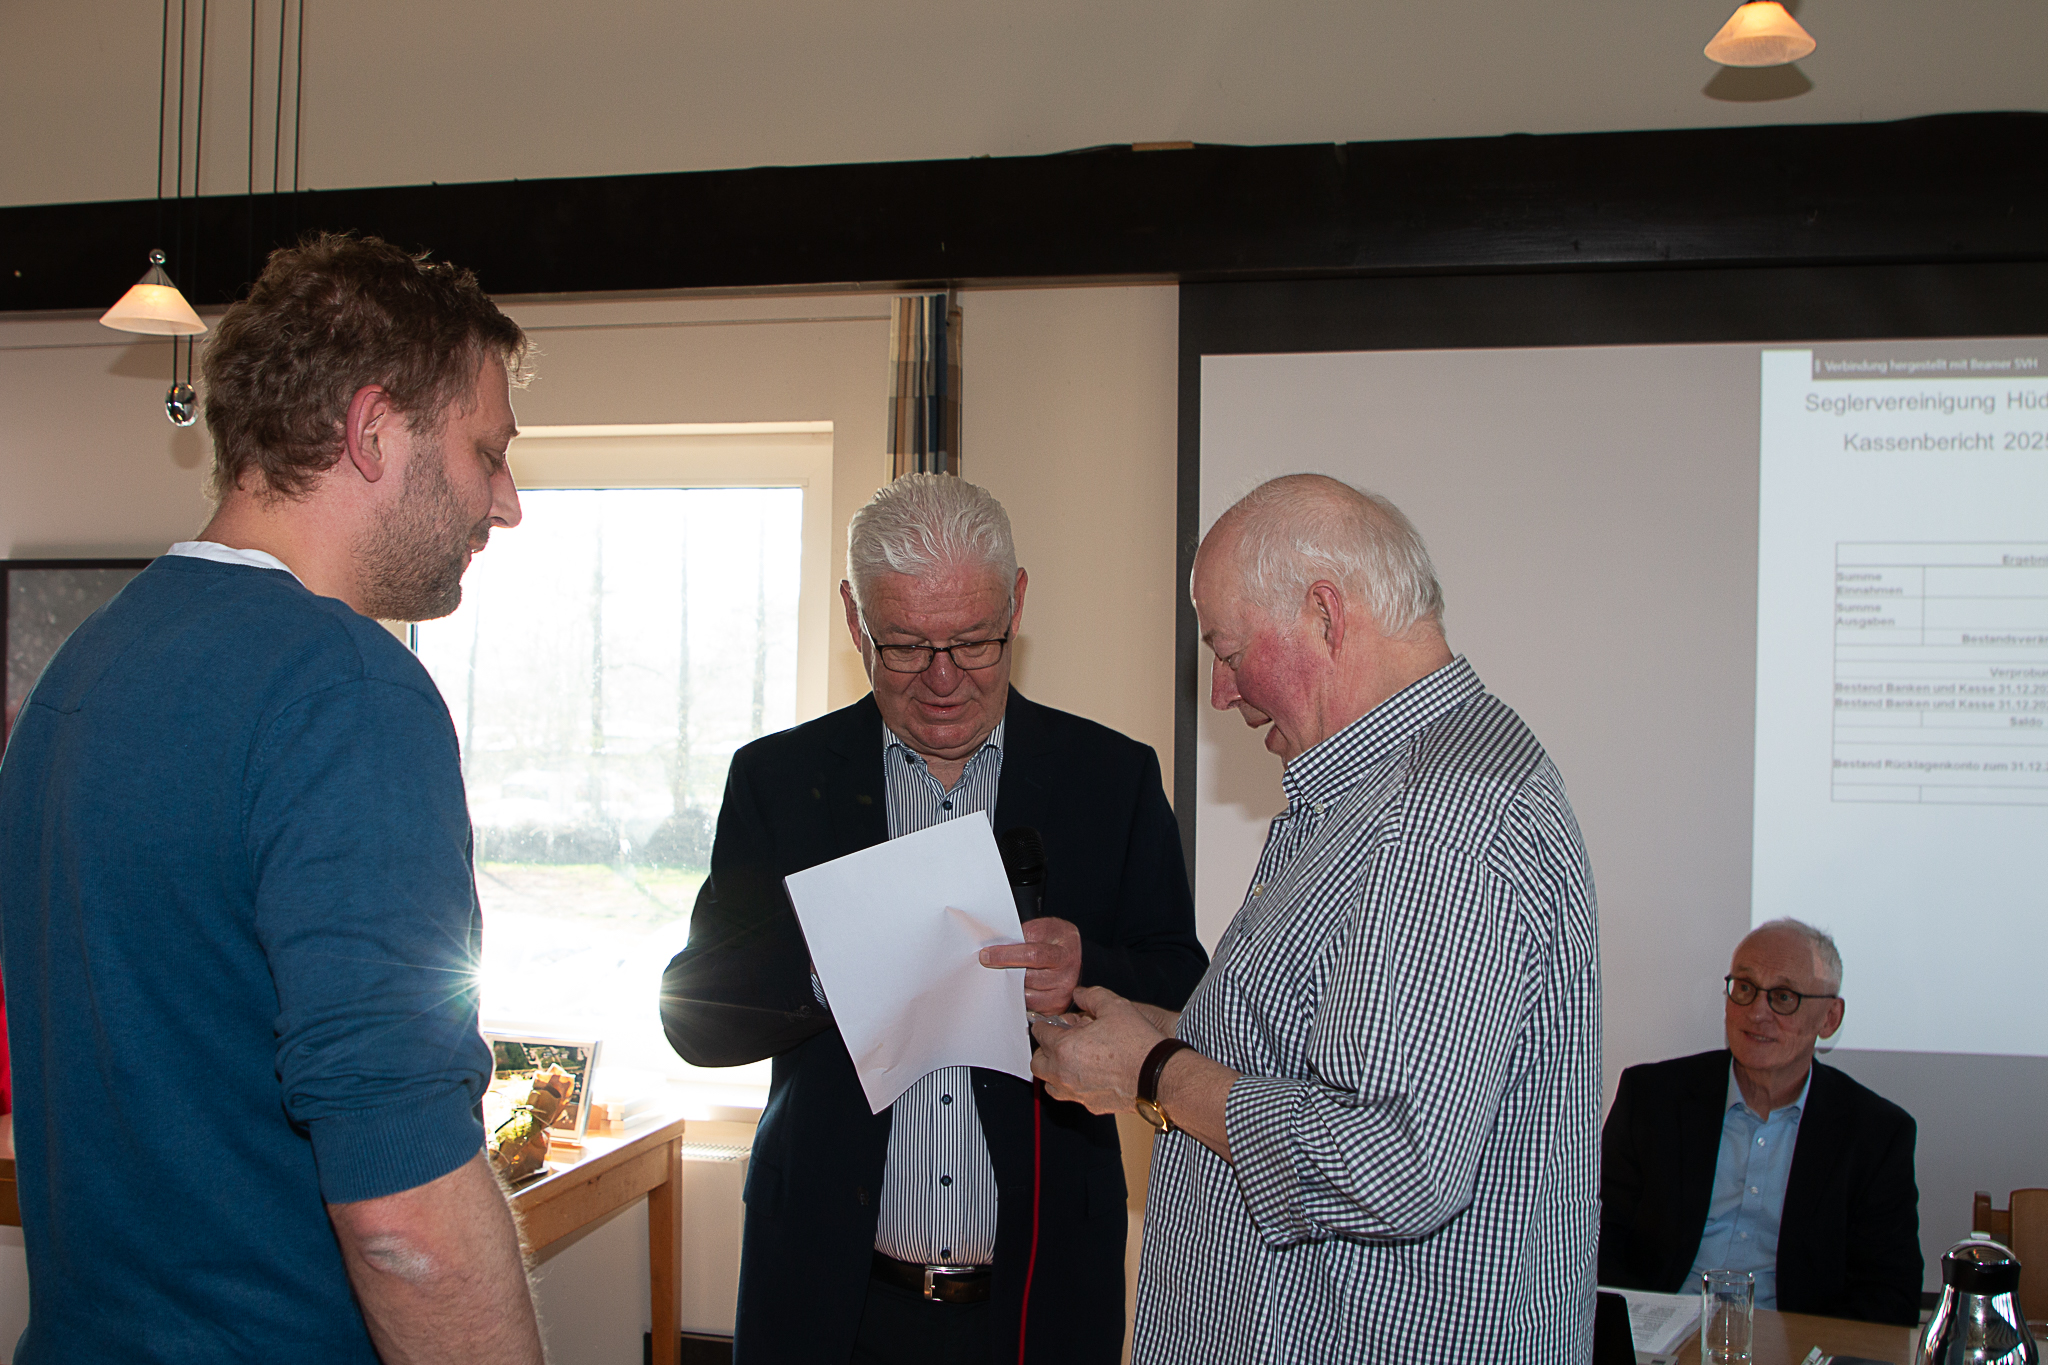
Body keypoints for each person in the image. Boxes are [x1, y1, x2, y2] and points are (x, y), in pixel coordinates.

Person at [0, 234, 544, 1365]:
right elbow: (404, 1219)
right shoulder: (343, 686)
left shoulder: (85, 667)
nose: (505, 502)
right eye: (487, 452)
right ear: (373, 430)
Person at [1030, 473, 1603, 1364]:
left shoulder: (1439, 815)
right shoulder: (1380, 790)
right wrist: (1162, 1033)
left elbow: (1392, 1159)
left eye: (1228, 651)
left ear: (1326, 616)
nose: (1221, 693)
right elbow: (1329, 1061)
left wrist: (1153, 1071)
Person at [661, 473, 1207, 1365]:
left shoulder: (1110, 778)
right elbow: (695, 1016)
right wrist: (831, 966)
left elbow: (1188, 990)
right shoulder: (778, 780)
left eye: (975, 642)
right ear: (854, 618)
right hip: (829, 1299)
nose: (944, 679)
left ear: (1017, 603)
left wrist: (1088, 969)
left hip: (1039, 1299)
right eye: (907, 646)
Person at [1599, 918, 1921, 1325]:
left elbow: (1891, 1294)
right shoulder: (1652, 1097)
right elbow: (1592, 1237)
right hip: (1657, 1335)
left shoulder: (1876, 1134)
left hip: (1793, 1342)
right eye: (1745, 988)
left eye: (1783, 997)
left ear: (1829, 1018)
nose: (1756, 1012)